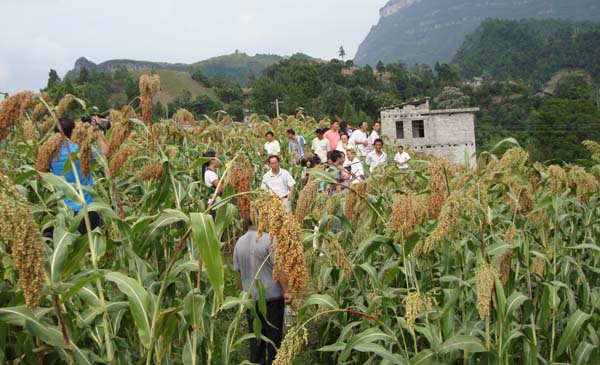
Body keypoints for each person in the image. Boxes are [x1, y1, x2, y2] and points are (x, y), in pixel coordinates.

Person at [233, 206, 292, 365]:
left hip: (250, 299)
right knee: (273, 339)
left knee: (256, 338)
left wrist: (243, 293)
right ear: (262, 219)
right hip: (272, 299)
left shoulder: (239, 243)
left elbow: (237, 274)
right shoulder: (270, 240)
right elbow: (279, 269)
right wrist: (286, 291)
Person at [49, 116, 108, 234]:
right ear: (73, 131)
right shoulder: (81, 150)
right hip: (88, 209)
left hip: (65, 213)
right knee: (92, 249)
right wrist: (100, 133)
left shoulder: (51, 154)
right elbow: (105, 154)